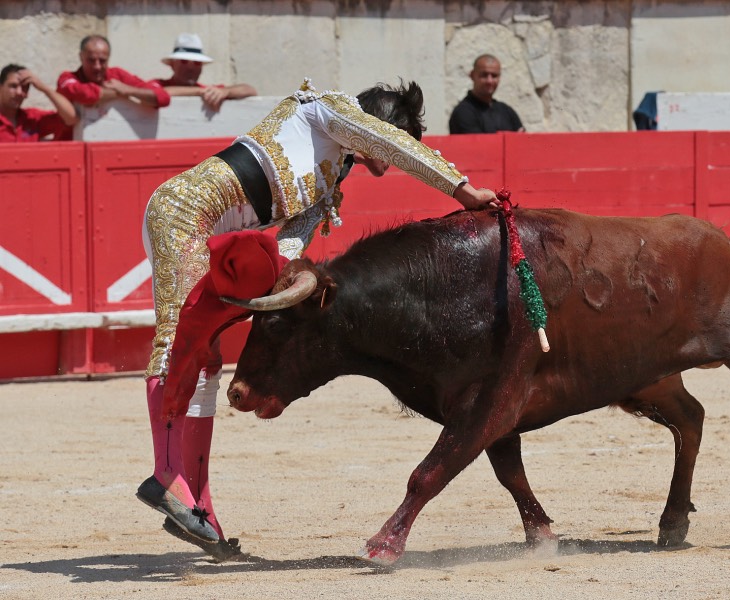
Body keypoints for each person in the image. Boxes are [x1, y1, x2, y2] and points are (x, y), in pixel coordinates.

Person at [138, 78, 499, 560]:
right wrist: (463, 190)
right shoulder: (325, 108)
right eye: (401, 138)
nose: (392, 158)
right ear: (378, 124)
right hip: (182, 212)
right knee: (177, 342)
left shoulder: (329, 181)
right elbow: (391, 143)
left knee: (205, 360)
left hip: (215, 241)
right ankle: (166, 477)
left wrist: (287, 289)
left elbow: (285, 248)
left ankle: (201, 512)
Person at [56, 35, 170, 139]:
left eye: (102, 61)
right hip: (70, 150)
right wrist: (119, 92)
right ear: (81, 57)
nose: (97, 66)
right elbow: (86, 95)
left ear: (109, 58)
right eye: (91, 60)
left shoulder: (118, 76)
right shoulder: (67, 78)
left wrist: (128, 90)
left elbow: (163, 97)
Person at [155, 33, 257, 112]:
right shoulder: (158, 84)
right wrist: (199, 92)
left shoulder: (208, 91)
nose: (190, 68)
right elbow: (158, 93)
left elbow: (250, 90)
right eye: (184, 61)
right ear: (172, 64)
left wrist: (226, 92)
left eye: (197, 63)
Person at [0, 64, 78, 142]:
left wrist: (43, 88)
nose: (19, 92)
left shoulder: (32, 118)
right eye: (13, 86)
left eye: (24, 87)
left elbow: (71, 118)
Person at [449, 54, 524, 134]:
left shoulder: (507, 111)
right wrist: (508, 138)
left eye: (494, 76)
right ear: (472, 75)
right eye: (484, 75)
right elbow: (479, 145)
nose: (489, 81)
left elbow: (522, 143)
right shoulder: (463, 112)